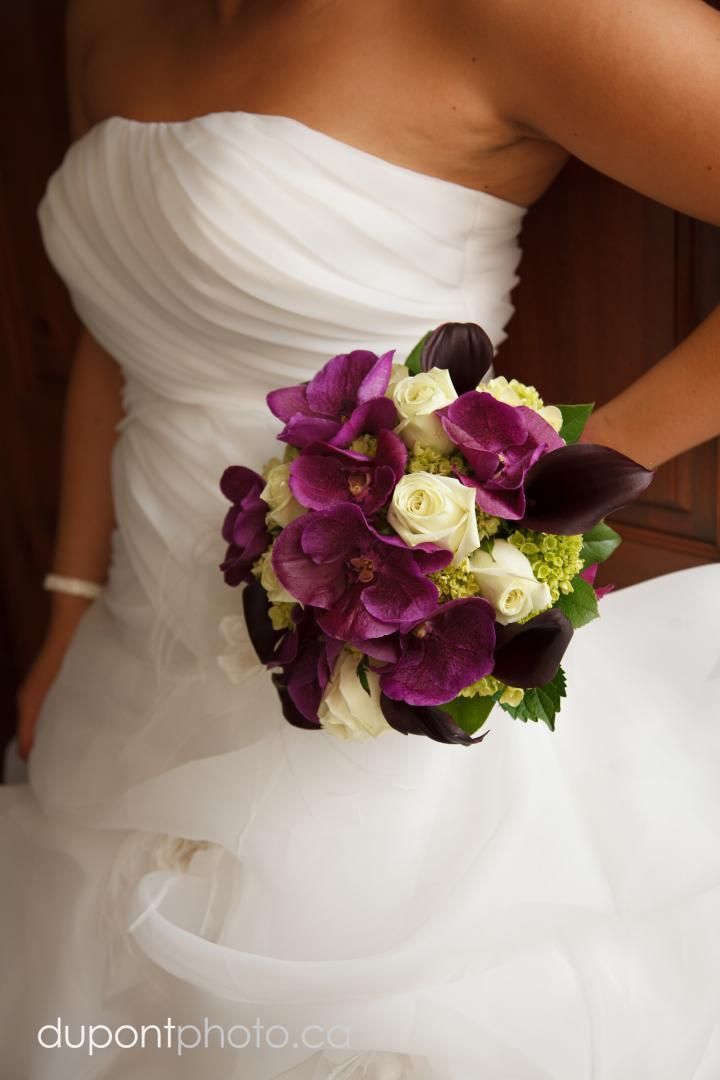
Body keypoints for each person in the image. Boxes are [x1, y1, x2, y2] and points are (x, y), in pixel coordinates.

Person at [3, 1, 719, 1076]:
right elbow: (124, 327)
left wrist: (542, 473)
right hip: (122, 671)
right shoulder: (102, 11)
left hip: (377, 701)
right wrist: (65, 605)